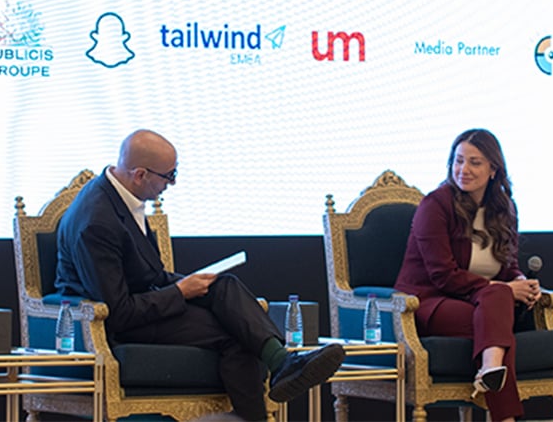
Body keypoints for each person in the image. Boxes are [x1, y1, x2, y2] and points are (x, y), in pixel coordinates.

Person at [55, 130, 345, 421]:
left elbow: (147, 275)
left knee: (224, 285)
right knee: (236, 333)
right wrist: (180, 292)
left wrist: (190, 283)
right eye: (169, 175)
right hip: (116, 324)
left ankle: (282, 361)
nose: (173, 183)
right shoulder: (96, 221)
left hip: (146, 303)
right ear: (141, 175)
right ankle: (270, 389)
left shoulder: (122, 196)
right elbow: (118, 312)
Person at [394, 129, 540, 422]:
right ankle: (498, 394)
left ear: (493, 169)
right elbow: (443, 275)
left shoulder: (504, 209)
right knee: (498, 322)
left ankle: (490, 369)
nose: (464, 170)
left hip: (480, 304)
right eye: (458, 161)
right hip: (428, 303)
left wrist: (521, 282)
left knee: (496, 320)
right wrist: (501, 289)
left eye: (474, 162)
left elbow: (506, 266)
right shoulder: (435, 205)